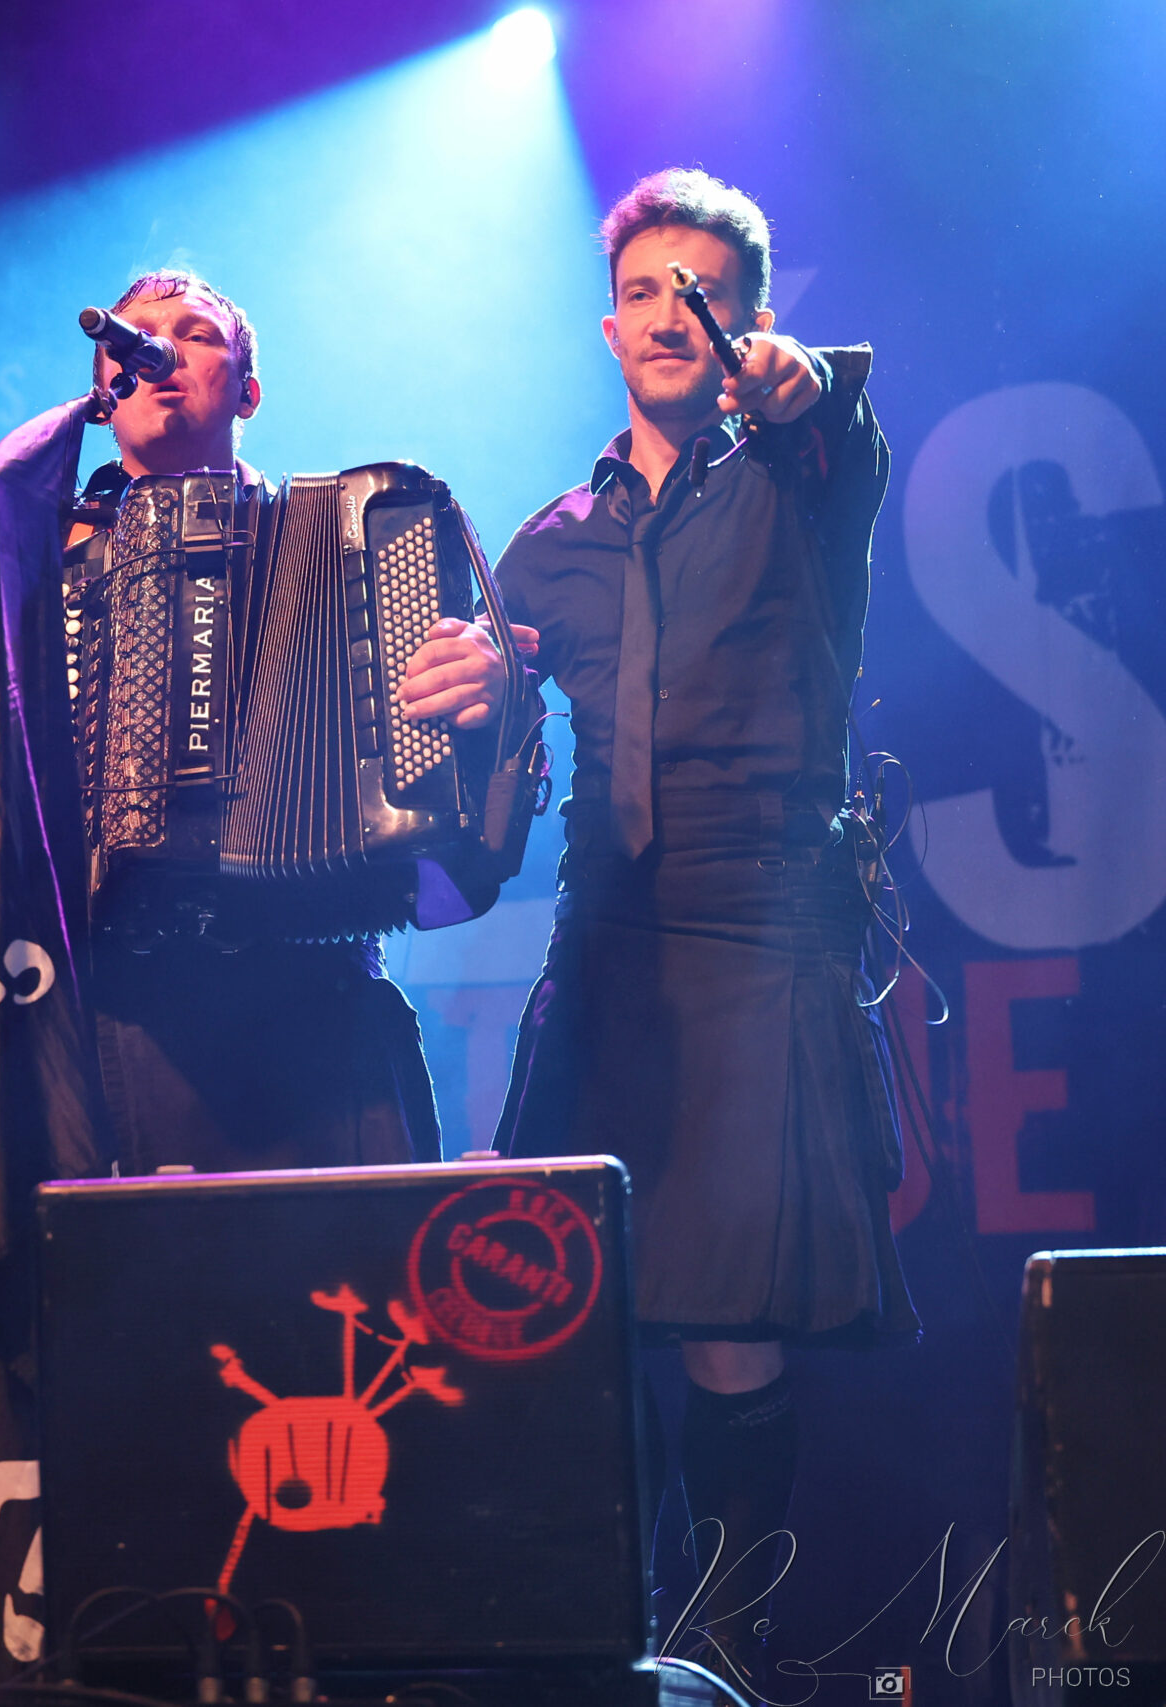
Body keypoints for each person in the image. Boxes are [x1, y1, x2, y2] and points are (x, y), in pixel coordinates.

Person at [490, 169, 916, 1688]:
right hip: (607, 941)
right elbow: (483, 781)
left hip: (759, 926)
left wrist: (804, 395)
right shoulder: (545, 545)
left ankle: (725, 1651)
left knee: (733, 1317)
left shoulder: (806, 468)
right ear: (609, 325)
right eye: (649, 290)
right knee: (568, 1320)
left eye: (707, 292)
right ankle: (609, 1644)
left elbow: (828, 416)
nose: (675, 312)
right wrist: (474, 705)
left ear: (749, 322)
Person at [67, 269, 519, 1172]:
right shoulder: (39, 557)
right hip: (128, 1006)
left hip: (324, 996)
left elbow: (473, 794)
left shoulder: (349, 537)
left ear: (248, 388)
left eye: (194, 333)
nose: (156, 351)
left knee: (373, 1301)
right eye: (131, 338)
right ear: (101, 395)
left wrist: (487, 701)